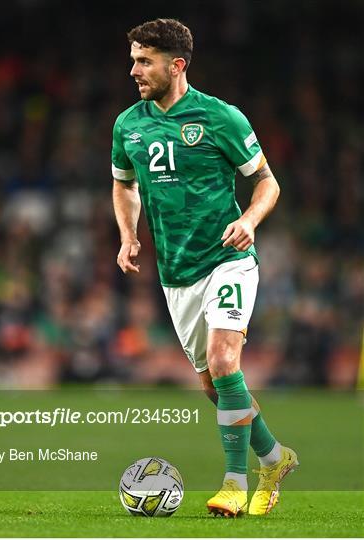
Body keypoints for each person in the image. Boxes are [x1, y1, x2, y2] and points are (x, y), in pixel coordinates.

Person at [111, 18, 298, 517]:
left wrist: (252, 221)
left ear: (177, 65)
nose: (134, 70)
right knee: (215, 388)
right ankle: (275, 458)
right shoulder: (128, 124)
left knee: (223, 361)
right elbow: (123, 184)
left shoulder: (221, 118)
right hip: (176, 273)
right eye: (133, 59)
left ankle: (234, 482)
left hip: (228, 259)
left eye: (144, 61)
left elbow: (267, 182)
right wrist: (129, 234)